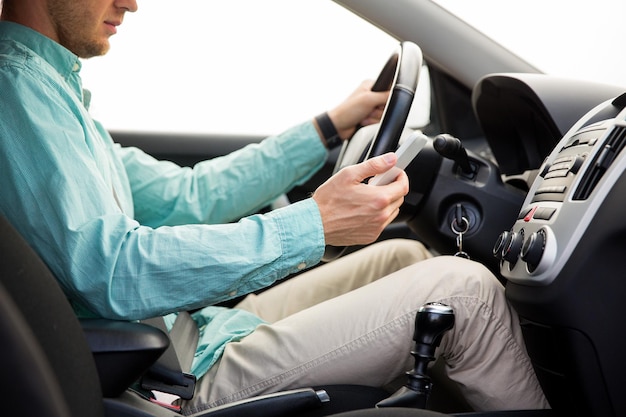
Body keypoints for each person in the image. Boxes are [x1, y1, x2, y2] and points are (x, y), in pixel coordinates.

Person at [0, 0, 549, 414]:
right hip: (169, 375)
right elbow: (113, 270)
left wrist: (329, 128)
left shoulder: (54, 90)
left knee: (402, 257)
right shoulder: (16, 90)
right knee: (464, 293)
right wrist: (315, 223)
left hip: (190, 333)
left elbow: (189, 196)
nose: (132, 2)